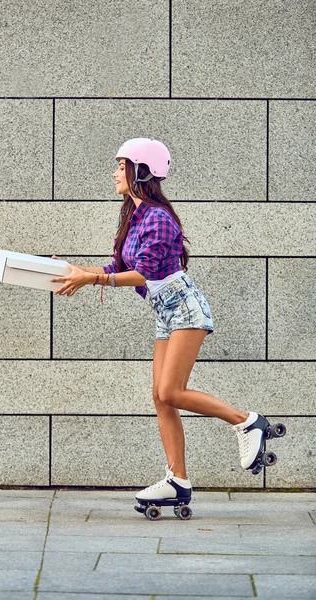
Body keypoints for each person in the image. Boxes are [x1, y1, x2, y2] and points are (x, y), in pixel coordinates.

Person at [50, 137, 275, 507]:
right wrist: (72, 271)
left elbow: (144, 273)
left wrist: (90, 279)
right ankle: (178, 480)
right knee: (160, 397)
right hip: (165, 313)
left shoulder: (158, 217)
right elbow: (116, 269)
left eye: (120, 167)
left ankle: (247, 421)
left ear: (140, 171)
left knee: (171, 390)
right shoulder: (134, 217)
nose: (114, 174)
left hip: (184, 308)